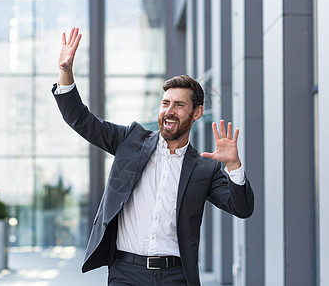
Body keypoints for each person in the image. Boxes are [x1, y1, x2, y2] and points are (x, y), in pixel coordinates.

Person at [52, 27, 254, 286]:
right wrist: (66, 73)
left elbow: (242, 208)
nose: (169, 111)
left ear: (197, 112)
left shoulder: (206, 168)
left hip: (175, 275)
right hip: (127, 272)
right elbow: (81, 119)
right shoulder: (130, 141)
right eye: (165, 103)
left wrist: (234, 166)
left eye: (179, 105)